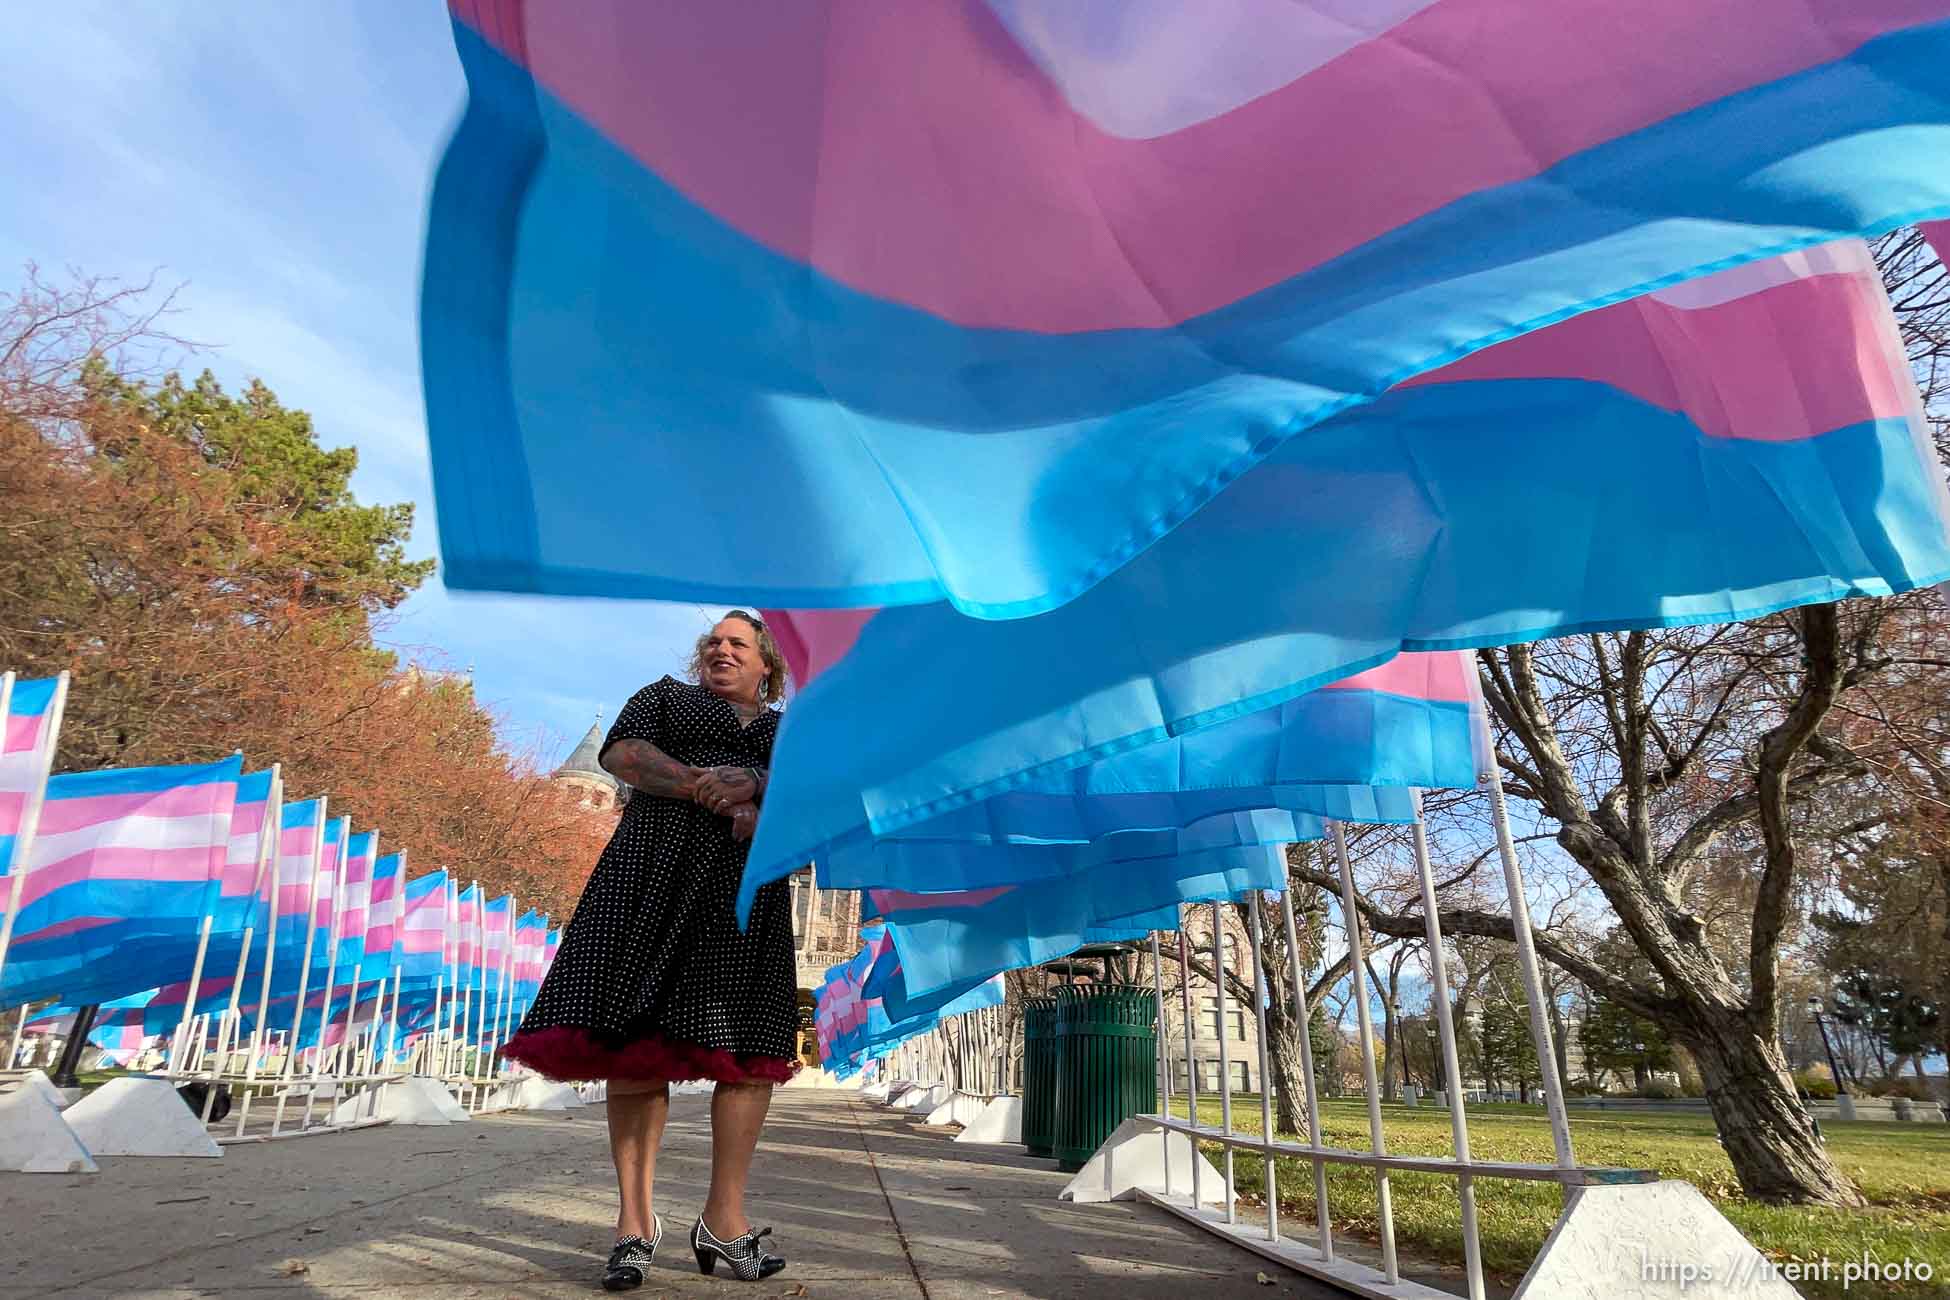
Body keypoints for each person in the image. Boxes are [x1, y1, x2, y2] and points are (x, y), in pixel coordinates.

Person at [503, 612, 796, 1289]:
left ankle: (725, 1220)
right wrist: (708, 784)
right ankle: (633, 1225)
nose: (721, 650)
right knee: (634, 1044)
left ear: (768, 667)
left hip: (744, 892)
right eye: (713, 643)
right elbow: (623, 756)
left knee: (748, 1050)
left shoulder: (790, 732)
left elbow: (814, 799)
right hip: (650, 875)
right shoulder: (666, 696)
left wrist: (757, 785)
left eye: (738, 644)